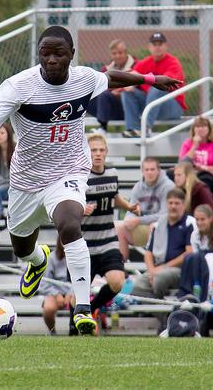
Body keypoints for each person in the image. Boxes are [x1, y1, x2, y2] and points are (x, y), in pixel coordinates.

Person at [0, 25, 181, 335]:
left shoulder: (83, 78)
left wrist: (150, 79)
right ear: (38, 55)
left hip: (68, 172)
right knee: (21, 246)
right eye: (45, 53)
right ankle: (37, 261)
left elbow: (113, 78)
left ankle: (82, 308)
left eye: (59, 53)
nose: (51, 59)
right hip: (26, 180)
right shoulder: (18, 86)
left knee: (69, 223)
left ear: (71, 56)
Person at [74, 133, 139, 334]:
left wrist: (129, 206)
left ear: (106, 152)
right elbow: (67, 205)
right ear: (87, 153)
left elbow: (114, 196)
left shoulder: (112, 173)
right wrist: (80, 208)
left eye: (101, 150)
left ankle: (93, 309)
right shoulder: (80, 177)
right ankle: (73, 329)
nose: (98, 154)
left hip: (108, 240)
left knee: (118, 282)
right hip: (85, 244)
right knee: (78, 296)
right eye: (94, 150)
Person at [131, 188, 195, 302]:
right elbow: (148, 253)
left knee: (159, 279)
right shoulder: (158, 225)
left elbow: (189, 252)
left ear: (183, 205)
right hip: (157, 268)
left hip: (181, 270)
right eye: (170, 203)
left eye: (177, 203)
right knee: (136, 289)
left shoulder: (189, 223)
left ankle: (163, 309)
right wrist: (151, 271)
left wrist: (163, 268)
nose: (173, 206)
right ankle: (165, 313)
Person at [121, 32, 186, 138]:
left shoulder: (173, 62)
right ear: (149, 47)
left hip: (172, 107)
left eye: (160, 44)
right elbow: (132, 75)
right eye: (154, 44)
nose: (157, 47)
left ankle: (145, 128)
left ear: (166, 46)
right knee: (127, 93)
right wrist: (131, 83)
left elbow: (163, 82)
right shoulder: (146, 62)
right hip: (151, 106)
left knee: (156, 88)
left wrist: (140, 77)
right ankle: (133, 129)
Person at [115, 157, 175, 261]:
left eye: (152, 169)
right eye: (147, 170)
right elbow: (131, 210)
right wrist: (129, 219)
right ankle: (120, 269)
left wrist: (139, 220)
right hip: (144, 226)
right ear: (142, 171)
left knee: (154, 226)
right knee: (119, 227)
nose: (149, 173)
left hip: (167, 228)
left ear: (158, 171)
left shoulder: (168, 186)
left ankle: (154, 267)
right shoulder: (138, 187)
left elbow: (165, 215)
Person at [177, 204, 213, 302]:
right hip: (201, 270)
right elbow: (196, 260)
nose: (199, 223)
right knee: (190, 257)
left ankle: (206, 290)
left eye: (202, 219)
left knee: (211, 256)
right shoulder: (194, 235)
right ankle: (188, 292)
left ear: (210, 219)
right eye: (197, 219)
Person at [178, 116, 213, 209]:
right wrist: (194, 146)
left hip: (212, 174)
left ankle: (206, 207)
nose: (200, 129)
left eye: (203, 126)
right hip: (192, 174)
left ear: (209, 128)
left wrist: (207, 168)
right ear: (193, 129)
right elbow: (181, 164)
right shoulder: (188, 143)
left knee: (205, 178)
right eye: (197, 126)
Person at [87, 39, 137, 134]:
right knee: (88, 97)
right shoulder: (106, 69)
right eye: (114, 53)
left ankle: (103, 128)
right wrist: (111, 93)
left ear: (126, 52)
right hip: (110, 105)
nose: (117, 56)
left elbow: (140, 87)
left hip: (130, 105)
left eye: (120, 53)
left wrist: (120, 92)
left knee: (106, 95)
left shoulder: (137, 65)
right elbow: (99, 87)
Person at [40, 242, 72, 336]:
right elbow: (45, 282)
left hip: (75, 292)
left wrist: (70, 293)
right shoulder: (51, 258)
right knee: (48, 309)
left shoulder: (79, 257)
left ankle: (75, 331)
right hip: (54, 292)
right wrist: (56, 294)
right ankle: (52, 331)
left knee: (80, 306)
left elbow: (81, 279)